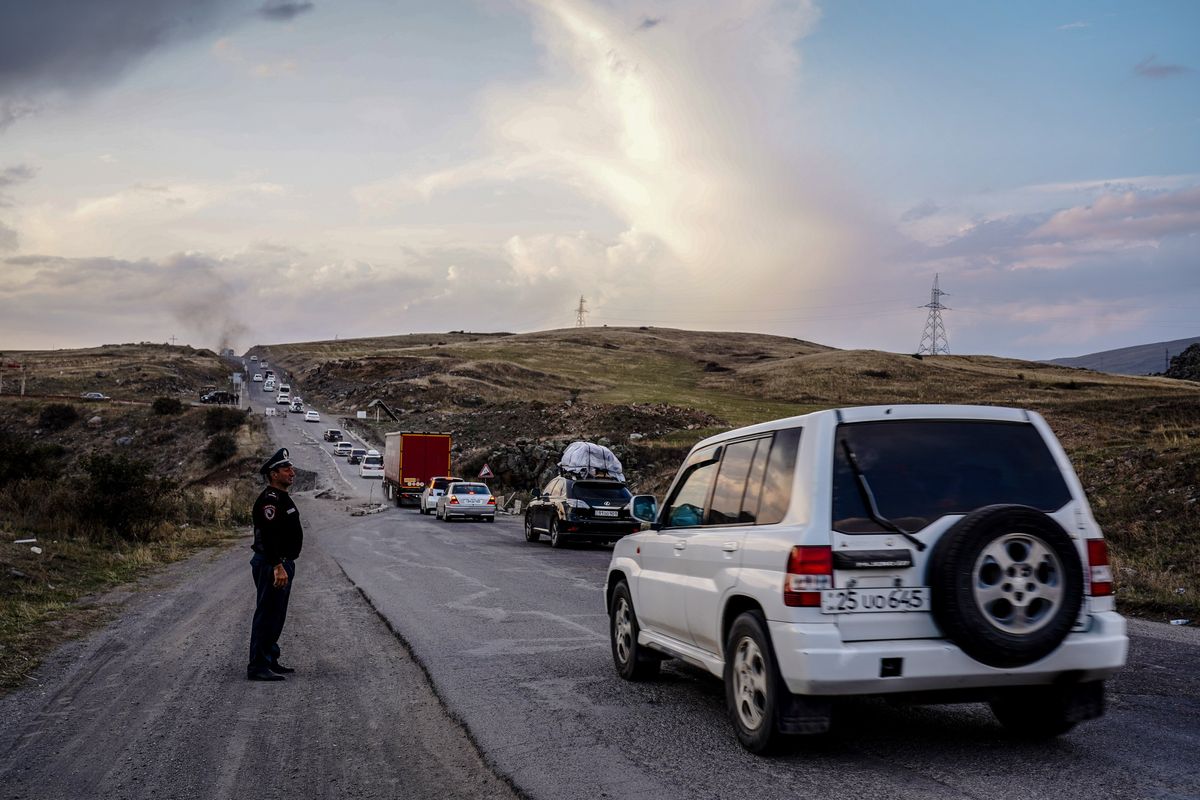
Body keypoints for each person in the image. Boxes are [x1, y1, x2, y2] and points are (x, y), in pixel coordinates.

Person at [247, 447, 304, 681]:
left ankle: (270, 658)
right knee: (267, 613)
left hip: (281, 563)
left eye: (291, 468)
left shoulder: (282, 497)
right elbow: (268, 537)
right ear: (273, 474)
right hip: (272, 565)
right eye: (286, 468)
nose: (292, 472)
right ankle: (258, 665)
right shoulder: (269, 501)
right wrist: (277, 566)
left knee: (277, 614)